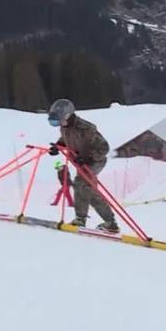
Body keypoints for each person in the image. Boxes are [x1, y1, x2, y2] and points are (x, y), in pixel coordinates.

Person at [47, 99, 119, 233]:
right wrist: (57, 147)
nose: (59, 124)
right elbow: (65, 140)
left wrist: (88, 157)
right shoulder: (65, 127)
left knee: (80, 183)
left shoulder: (86, 128)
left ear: (68, 116)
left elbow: (104, 148)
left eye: (59, 120)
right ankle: (110, 223)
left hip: (95, 161)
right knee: (89, 192)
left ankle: (80, 219)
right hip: (81, 161)